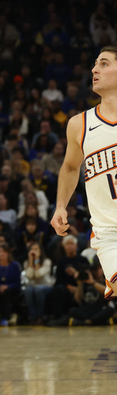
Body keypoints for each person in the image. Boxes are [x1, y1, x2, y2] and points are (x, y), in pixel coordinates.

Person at [52, 47, 117, 305]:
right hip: (108, 231)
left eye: (104, 63)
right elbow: (70, 167)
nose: (94, 69)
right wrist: (60, 206)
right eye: (95, 64)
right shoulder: (79, 124)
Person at [0, 245, 22, 326]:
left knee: (7, 292)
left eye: (4, 251)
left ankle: (5, 317)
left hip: (11, 288)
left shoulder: (14, 265)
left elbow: (17, 282)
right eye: (0, 251)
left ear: (8, 253)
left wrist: (7, 286)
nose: (2, 253)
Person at [22, 243, 53, 325]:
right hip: (32, 286)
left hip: (46, 286)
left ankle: (40, 316)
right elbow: (30, 276)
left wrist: (36, 260)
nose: (34, 251)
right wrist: (31, 261)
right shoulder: (26, 263)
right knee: (28, 290)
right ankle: (33, 317)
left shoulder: (47, 262)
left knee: (38, 289)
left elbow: (38, 275)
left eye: (36, 249)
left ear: (40, 251)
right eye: (32, 249)